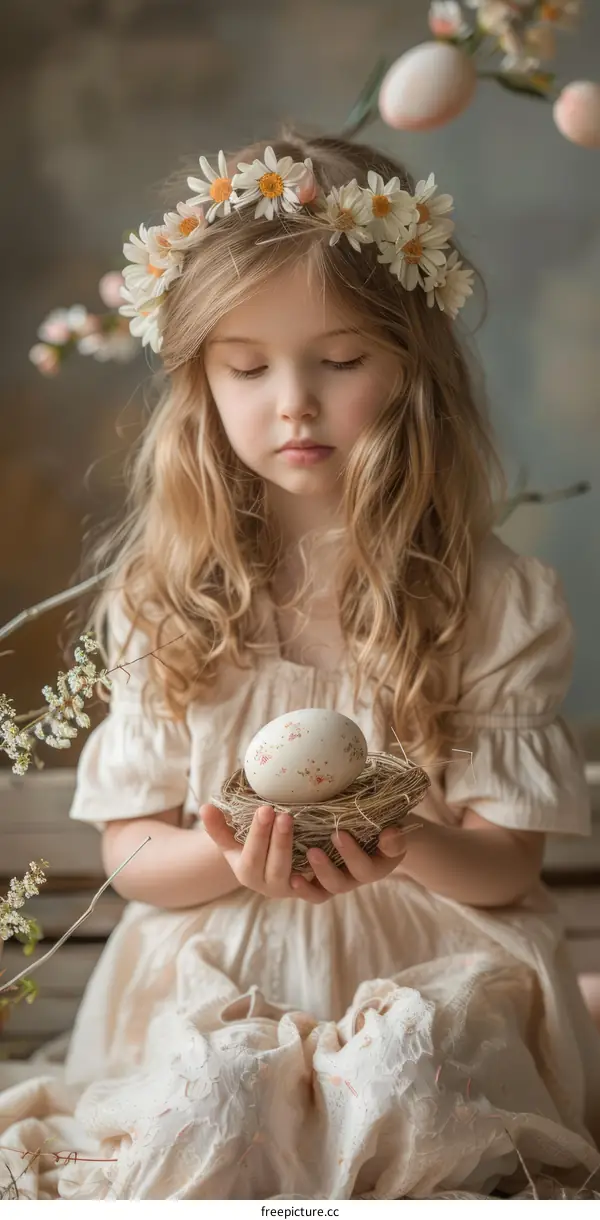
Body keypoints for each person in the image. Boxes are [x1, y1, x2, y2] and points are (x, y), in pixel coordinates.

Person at [1, 129, 599, 1202]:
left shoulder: (491, 598)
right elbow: (133, 850)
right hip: (218, 967)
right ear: (201, 381)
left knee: (407, 1077)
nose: (294, 401)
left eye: (341, 361)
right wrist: (232, 858)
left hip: (432, 963)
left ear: (412, 364)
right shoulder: (167, 598)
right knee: (222, 1096)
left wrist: (403, 840)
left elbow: (505, 866)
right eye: (248, 367)